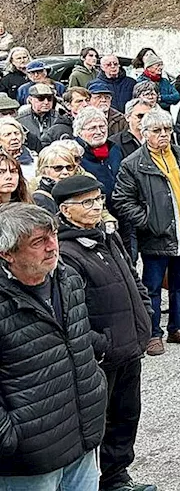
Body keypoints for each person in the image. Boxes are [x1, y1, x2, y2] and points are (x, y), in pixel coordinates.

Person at [52, 176, 156, 491]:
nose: (97, 206)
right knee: (97, 424)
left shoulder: (107, 236)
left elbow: (132, 278)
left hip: (129, 348)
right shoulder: (66, 251)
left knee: (126, 417)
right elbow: (71, 311)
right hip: (101, 356)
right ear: (65, 210)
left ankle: (117, 478)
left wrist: (146, 314)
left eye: (98, 199)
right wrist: (102, 344)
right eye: (87, 202)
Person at [0, 204, 107, 488]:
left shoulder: (67, 277)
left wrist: (97, 385)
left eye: (53, 235)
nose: (52, 247)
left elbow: (77, 339)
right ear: (7, 253)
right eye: (38, 242)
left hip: (81, 437)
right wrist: (9, 438)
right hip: (29, 459)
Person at [112, 108, 180, 355]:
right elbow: (122, 200)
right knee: (152, 287)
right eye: (157, 130)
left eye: (167, 130)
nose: (163, 134)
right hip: (156, 237)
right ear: (144, 134)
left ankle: (178, 327)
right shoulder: (133, 164)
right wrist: (149, 221)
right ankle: (153, 334)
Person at [73, 106, 125, 208]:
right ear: (79, 132)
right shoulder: (75, 154)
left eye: (102, 126)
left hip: (121, 209)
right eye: (92, 128)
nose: (99, 132)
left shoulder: (115, 149)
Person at [32, 140, 84, 215]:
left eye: (69, 167)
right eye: (58, 168)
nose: (65, 172)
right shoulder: (39, 199)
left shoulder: (77, 192)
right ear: (44, 170)